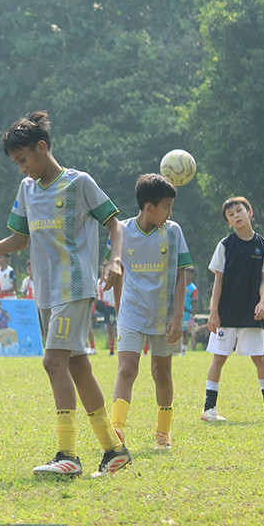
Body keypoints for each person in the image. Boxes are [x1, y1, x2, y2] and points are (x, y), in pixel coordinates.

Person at [0, 111, 130, 477]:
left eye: (23, 159)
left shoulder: (79, 183)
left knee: (52, 362)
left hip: (75, 285)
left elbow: (114, 223)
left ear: (42, 148)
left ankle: (68, 454)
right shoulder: (28, 190)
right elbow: (19, 238)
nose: (21, 168)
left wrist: (115, 261)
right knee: (77, 366)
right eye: (16, 162)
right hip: (47, 291)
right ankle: (114, 451)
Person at [109, 175, 192, 450]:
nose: (170, 213)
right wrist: (120, 310)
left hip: (164, 313)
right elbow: (117, 273)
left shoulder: (173, 231)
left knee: (161, 372)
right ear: (148, 207)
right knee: (127, 369)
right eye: (166, 206)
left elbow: (181, 276)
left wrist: (178, 316)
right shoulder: (121, 231)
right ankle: (116, 432)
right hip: (132, 311)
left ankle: (163, 434)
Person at [201, 196, 264, 422]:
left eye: (239, 211)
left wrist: (263, 301)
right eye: (231, 215)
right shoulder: (225, 246)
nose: (236, 216)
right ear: (228, 222)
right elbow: (218, 281)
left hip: (251, 312)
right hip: (226, 312)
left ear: (250, 211)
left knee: (259, 358)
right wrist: (213, 311)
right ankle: (208, 409)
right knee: (219, 358)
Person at [94, 261, 117, 356]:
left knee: (111, 328)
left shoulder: (115, 282)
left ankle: (112, 349)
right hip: (102, 305)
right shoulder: (99, 282)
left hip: (111, 307)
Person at [181, 267, 198, 355]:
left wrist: (193, 315)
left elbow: (194, 302)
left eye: (189, 274)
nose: (187, 276)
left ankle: (183, 351)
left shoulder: (193, 288)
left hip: (187, 312)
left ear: (192, 276)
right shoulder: (179, 285)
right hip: (178, 311)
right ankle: (174, 350)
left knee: (185, 332)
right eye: (185, 274)